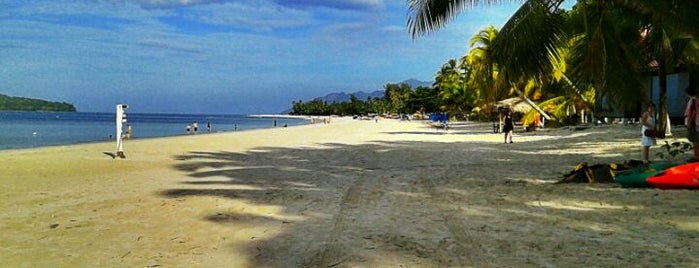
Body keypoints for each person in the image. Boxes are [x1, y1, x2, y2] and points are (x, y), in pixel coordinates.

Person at [684, 83, 699, 161]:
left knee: (694, 139)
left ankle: (696, 155)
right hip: (695, 122)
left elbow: (693, 112)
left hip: (693, 122)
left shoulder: (693, 100)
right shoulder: (695, 100)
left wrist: (689, 122)